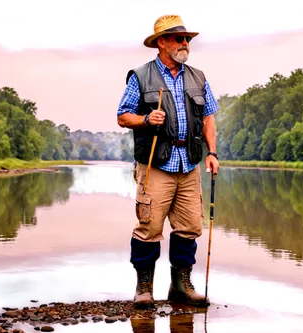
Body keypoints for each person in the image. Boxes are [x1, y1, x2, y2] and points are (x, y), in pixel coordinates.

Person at [116, 14, 220, 309]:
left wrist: (212, 153)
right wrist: (147, 119)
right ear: (161, 42)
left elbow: (209, 116)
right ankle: (144, 288)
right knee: (149, 228)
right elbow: (123, 116)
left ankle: (181, 286)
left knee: (189, 228)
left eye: (186, 38)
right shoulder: (141, 76)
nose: (185, 43)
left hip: (190, 163)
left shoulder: (199, 77)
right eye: (178, 38)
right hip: (155, 164)